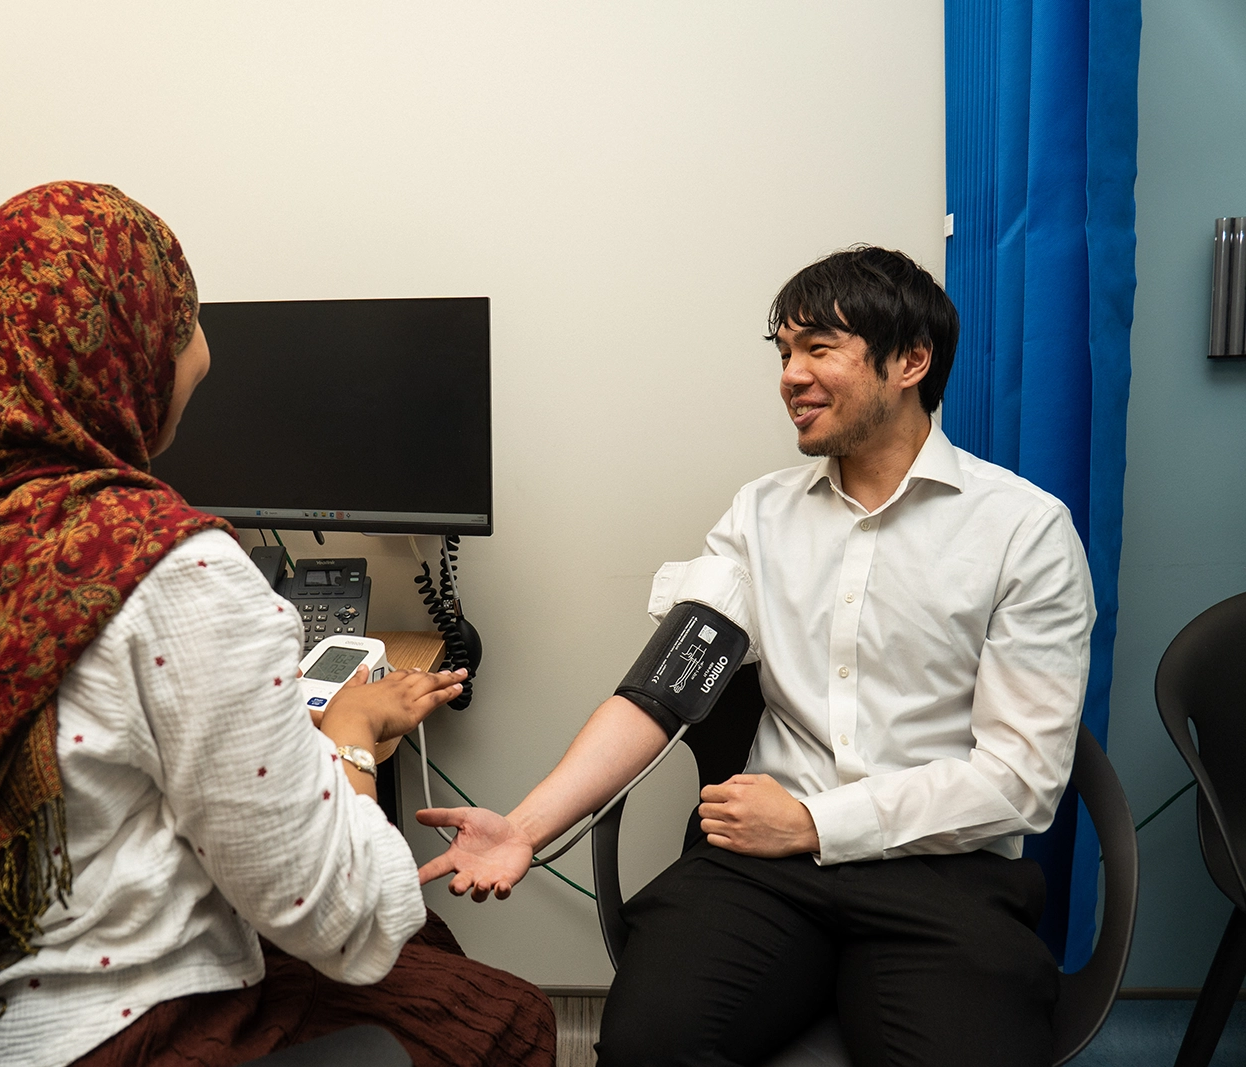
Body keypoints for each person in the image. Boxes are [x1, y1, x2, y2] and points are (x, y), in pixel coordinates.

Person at [0, 181, 556, 1067]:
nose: (196, 347)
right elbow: (342, 924)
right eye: (178, 318)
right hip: (119, 1031)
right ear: (123, 349)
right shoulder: (171, 575)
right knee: (505, 1015)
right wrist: (350, 736)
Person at [418, 247, 1094, 1066]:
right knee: (645, 1045)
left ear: (911, 361)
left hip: (939, 869)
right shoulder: (762, 516)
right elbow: (658, 696)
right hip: (764, 868)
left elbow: (1021, 779)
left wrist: (814, 819)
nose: (790, 376)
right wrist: (524, 826)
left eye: (818, 347)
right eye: (782, 352)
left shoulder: (1023, 531)